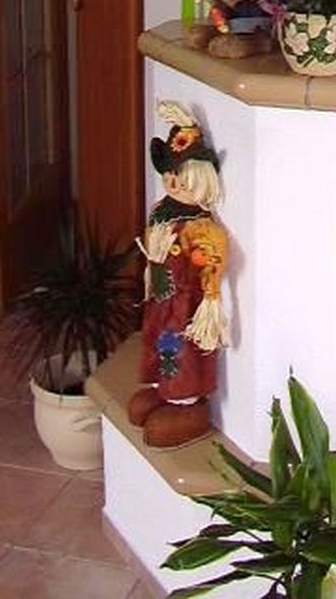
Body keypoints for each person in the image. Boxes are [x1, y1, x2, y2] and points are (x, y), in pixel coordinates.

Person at [127, 101, 229, 448]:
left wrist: (206, 275)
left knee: (182, 349)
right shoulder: (163, 213)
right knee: (158, 342)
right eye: (170, 175)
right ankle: (163, 390)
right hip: (162, 298)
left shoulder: (199, 226)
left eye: (182, 179)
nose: (173, 183)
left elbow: (212, 257)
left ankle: (186, 403)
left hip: (183, 304)